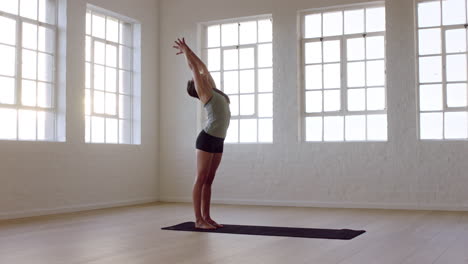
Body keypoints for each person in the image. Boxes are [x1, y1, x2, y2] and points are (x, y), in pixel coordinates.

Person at [173, 38, 231, 229]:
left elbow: (201, 66)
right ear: (197, 88)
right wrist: (185, 53)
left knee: (209, 180)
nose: (201, 75)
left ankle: (207, 217)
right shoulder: (205, 93)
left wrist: (188, 48)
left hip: (219, 140)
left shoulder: (214, 89)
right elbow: (193, 68)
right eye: (197, 78)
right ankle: (198, 220)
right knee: (201, 178)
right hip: (206, 139)